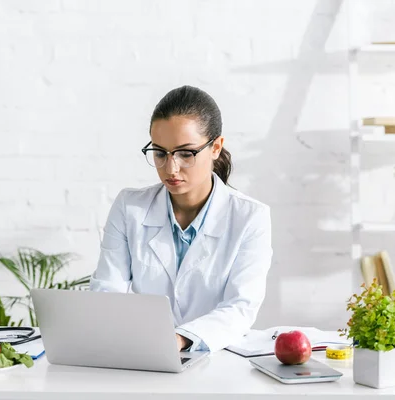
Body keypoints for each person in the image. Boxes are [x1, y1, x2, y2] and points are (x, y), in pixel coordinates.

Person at [90, 85, 273, 353]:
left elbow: (240, 307)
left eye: (186, 153)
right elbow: (107, 291)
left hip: (216, 359)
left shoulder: (250, 217)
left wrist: (179, 339)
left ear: (216, 148)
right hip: (142, 355)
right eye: (160, 153)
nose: (171, 168)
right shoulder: (130, 207)